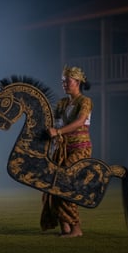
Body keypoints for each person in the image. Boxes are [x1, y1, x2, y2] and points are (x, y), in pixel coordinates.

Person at [40, 65, 93, 238]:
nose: (64, 83)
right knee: (51, 186)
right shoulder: (62, 103)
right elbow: (54, 125)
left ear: (77, 82)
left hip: (79, 150)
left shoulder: (85, 101)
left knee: (63, 184)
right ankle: (65, 229)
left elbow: (79, 122)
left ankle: (76, 229)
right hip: (60, 149)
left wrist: (59, 132)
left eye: (67, 81)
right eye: (62, 81)